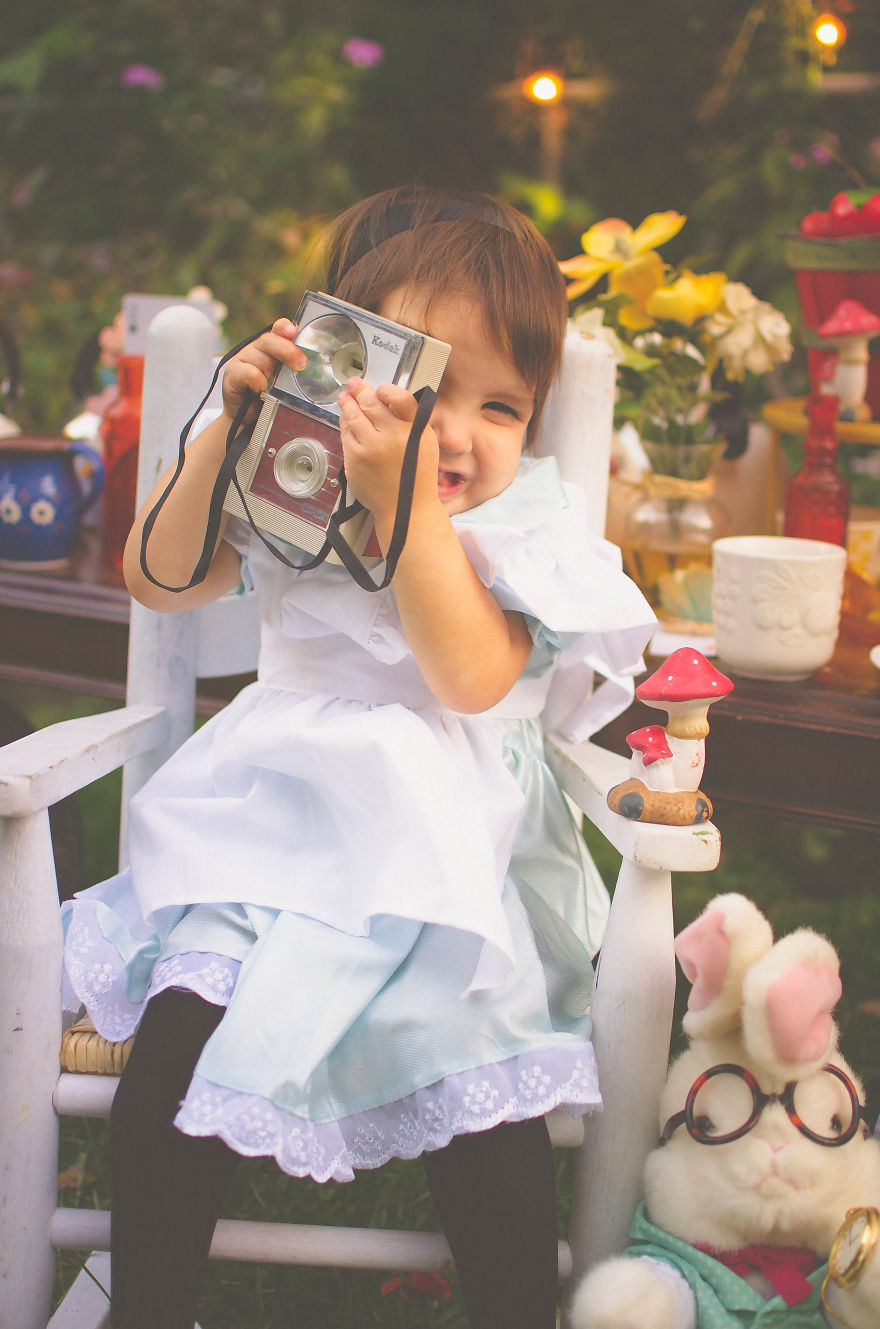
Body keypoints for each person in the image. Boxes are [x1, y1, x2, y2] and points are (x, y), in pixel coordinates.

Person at [61, 185, 656, 1329]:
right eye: (433, 393)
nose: (463, 435)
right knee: (170, 1073)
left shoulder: (517, 519)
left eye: (503, 406)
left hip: (436, 871)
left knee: (482, 1101)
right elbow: (163, 580)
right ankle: (150, 1308)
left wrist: (411, 511)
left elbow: (471, 678)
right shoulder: (299, 475)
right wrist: (216, 441)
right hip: (262, 841)